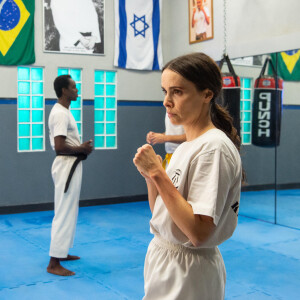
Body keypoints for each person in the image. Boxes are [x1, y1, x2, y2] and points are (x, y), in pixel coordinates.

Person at [133, 52, 243, 300]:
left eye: (177, 92)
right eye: (165, 92)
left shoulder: (214, 147)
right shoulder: (185, 147)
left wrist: (157, 173)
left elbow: (198, 233)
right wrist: (151, 178)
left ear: (207, 94)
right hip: (164, 260)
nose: (166, 101)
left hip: (189, 271)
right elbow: (162, 215)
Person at [47, 75, 93, 276]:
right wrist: (80, 148)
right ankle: (53, 263)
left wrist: (81, 150)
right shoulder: (60, 114)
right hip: (66, 166)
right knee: (64, 212)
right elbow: (59, 147)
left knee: (70, 210)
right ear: (64, 90)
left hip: (71, 165)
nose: (77, 90)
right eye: (73, 87)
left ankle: (62, 252)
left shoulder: (64, 111)